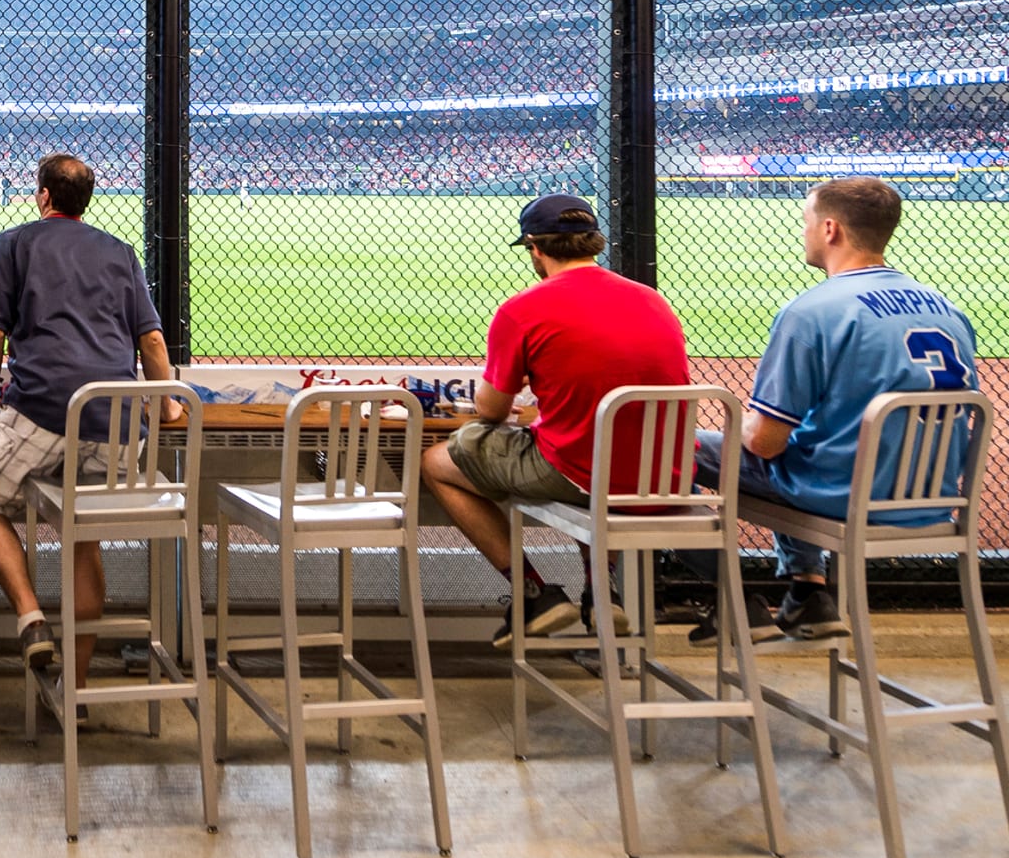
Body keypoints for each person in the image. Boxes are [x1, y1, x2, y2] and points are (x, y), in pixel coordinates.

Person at [688, 177, 978, 644]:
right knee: (805, 441)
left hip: (840, 496)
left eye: (805, 220)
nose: (802, 230)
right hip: (933, 500)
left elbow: (764, 441)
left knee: (676, 447)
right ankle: (807, 596)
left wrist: (740, 420)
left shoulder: (811, 312)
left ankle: (733, 600)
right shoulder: (947, 309)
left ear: (829, 229)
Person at [418, 194, 691, 650]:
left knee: (437, 462)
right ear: (594, 244)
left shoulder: (523, 308)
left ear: (535, 248)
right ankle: (602, 592)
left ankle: (533, 594)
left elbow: (491, 412)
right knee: (594, 450)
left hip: (582, 475)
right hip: (662, 475)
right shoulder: (652, 300)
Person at [0, 154, 176, 703]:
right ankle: (73, 690)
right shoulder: (120, 252)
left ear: (44, 197)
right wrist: (167, 405)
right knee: (84, 538)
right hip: (119, 421)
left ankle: (30, 615)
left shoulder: (14, 243)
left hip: (43, 409)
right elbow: (150, 342)